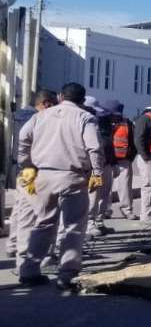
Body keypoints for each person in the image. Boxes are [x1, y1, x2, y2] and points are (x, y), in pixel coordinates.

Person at [16, 82, 104, 288]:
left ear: (61, 96)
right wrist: (97, 173)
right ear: (82, 101)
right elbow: (94, 147)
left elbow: (22, 139)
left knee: (43, 223)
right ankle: (67, 274)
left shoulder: (40, 116)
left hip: (42, 176)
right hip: (72, 177)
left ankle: (29, 270)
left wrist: (26, 164)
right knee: (73, 226)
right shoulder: (84, 117)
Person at [5, 89, 58, 259]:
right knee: (33, 213)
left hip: (20, 169)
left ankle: (13, 245)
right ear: (46, 104)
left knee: (19, 209)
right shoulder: (37, 119)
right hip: (32, 170)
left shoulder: (19, 115)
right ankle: (26, 252)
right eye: (54, 104)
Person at [85, 98, 116, 237]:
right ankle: (89, 224)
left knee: (104, 194)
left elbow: (108, 143)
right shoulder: (84, 122)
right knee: (93, 195)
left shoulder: (102, 121)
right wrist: (96, 170)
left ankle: (99, 221)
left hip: (105, 163)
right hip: (93, 166)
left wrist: (112, 162)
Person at [106, 101, 137, 220]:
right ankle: (105, 210)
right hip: (108, 161)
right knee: (106, 188)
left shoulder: (127, 123)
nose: (115, 116)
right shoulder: (103, 122)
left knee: (125, 187)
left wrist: (130, 158)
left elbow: (133, 142)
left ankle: (127, 210)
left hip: (123, 161)